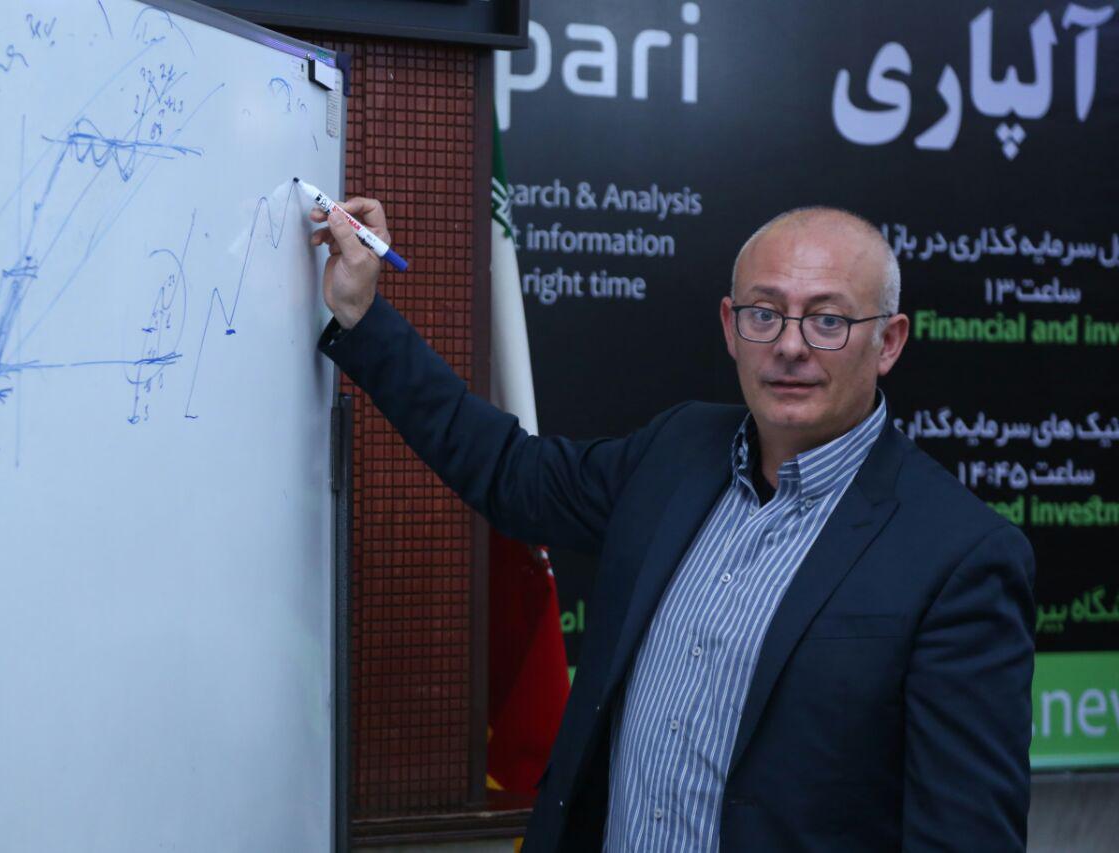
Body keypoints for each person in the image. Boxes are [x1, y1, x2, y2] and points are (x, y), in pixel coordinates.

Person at [310, 200, 1035, 851]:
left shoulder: (960, 557)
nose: (790, 345)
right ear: (730, 327)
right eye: (764, 313)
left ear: (890, 341)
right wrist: (363, 314)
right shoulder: (678, 451)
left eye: (828, 320)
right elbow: (511, 473)